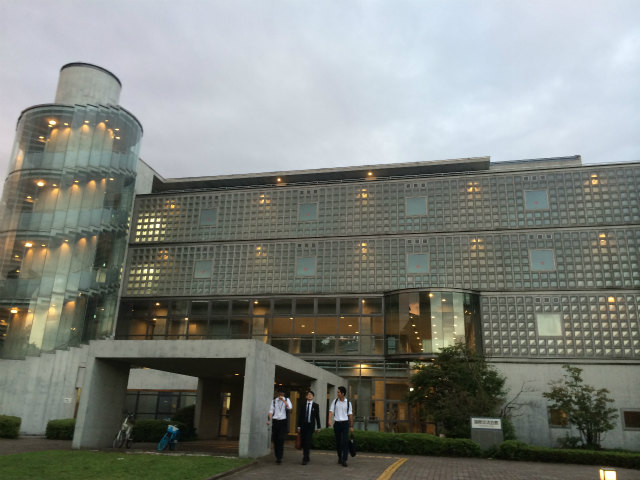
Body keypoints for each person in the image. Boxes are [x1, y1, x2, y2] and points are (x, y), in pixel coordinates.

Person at [328, 385, 353, 467]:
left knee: (345, 442)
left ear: (343, 394)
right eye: (337, 392)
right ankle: (340, 457)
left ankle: (344, 460)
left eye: (338, 392)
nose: (337, 393)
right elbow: (331, 411)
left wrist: (351, 426)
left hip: (345, 424)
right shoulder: (335, 401)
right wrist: (329, 419)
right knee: (338, 442)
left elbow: (350, 415)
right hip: (337, 424)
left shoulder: (348, 403)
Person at [266, 387, 292, 464]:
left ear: (284, 394)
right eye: (280, 393)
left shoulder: (287, 400)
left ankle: (279, 457)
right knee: (275, 440)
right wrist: (269, 420)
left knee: (281, 439)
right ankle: (277, 455)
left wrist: (283, 401)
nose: (281, 395)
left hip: (283, 422)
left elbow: (290, 407)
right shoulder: (274, 401)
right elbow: (271, 411)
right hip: (276, 421)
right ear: (278, 393)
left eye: (282, 393)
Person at [296, 390, 321, 465]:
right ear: (306, 396)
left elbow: (317, 417)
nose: (309, 396)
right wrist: (298, 426)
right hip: (303, 426)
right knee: (304, 442)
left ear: (313, 397)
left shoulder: (316, 405)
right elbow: (300, 416)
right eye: (308, 394)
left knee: (307, 442)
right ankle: (306, 456)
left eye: (311, 395)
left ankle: (305, 458)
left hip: (310, 426)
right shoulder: (303, 404)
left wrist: (319, 427)